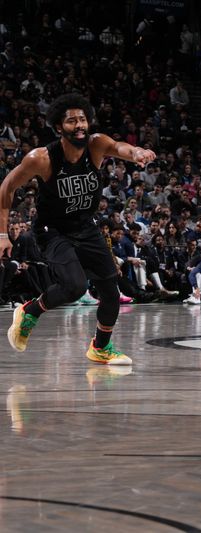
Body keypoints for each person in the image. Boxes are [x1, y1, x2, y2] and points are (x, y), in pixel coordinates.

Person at [0, 93, 156, 364]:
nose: (80, 125)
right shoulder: (42, 158)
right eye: (72, 121)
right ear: (59, 127)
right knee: (74, 286)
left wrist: (138, 153)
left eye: (83, 119)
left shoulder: (96, 145)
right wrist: (2, 234)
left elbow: (120, 148)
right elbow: (6, 188)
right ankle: (30, 311)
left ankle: (100, 347)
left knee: (110, 291)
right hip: (52, 230)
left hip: (86, 225)